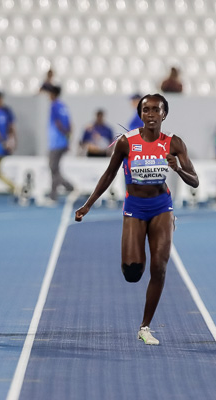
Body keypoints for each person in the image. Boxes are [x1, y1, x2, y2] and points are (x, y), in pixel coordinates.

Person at [75, 94, 199, 345]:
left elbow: (194, 181)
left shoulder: (174, 143)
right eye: (146, 110)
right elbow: (109, 174)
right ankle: (135, 265)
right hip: (134, 207)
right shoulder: (126, 142)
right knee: (132, 272)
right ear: (141, 114)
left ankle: (145, 326)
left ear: (164, 114)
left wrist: (178, 168)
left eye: (156, 110)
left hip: (162, 207)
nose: (151, 114)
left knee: (159, 267)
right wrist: (88, 205)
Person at [46, 85, 74, 201]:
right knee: (54, 168)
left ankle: (68, 187)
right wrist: (68, 139)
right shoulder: (64, 106)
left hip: (55, 142)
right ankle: (54, 194)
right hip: (62, 142)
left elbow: (58, 123)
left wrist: (63, 134)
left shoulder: (54, 106)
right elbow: (70, 124)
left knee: (53, 167)